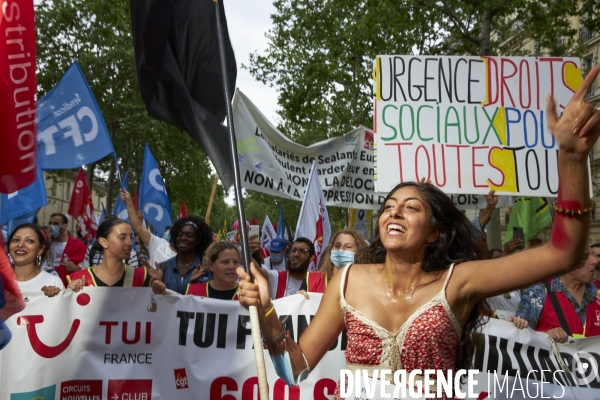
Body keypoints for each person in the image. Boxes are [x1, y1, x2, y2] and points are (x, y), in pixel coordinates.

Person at [237, 67, 600, 397]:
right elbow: (294, 369)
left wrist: (570, 159)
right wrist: (267, 310)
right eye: (389, 206)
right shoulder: (348, 281)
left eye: (411, 207)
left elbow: (563, 253)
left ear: (432, 232)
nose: (394, 211)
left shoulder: (457, 282)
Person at [511, 244, 600, 341]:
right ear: (566, 263)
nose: (595, 261)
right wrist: (545, 336)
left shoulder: (597, 292)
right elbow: (519, 336)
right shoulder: (538, 292)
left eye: (592, 255)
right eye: (585, 257)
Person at [66, 218, 151, 289]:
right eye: (122, 237)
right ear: (103, 242)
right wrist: (69, 295)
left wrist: (160, 292)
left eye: (130, 237)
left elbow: (151, 305)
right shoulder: (80, 278)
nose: (129, 243)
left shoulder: (141, 276)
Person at [156, 216, 213, 294]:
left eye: (189, 235)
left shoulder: (207, 268)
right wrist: (153, 283)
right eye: (180, 235)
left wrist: (194, 285)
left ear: (198, 241)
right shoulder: (163, 267)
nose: (183, 238)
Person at [120, 188, 176, 267]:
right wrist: (129, 202)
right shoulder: (158, 244)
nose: (183, 238)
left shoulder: (189, 258)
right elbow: (138, 227)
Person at [9, 223, 64, 293]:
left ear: (40, 250)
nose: (20, 245)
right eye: (16, 240)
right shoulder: (2, 280)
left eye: (30, 241)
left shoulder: (53, 282)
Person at [49, 213, 87, 286]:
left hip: (68, 287)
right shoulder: (46, 244)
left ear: (65, 226)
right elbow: (37, 262)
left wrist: (76, 268)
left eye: (55, 223)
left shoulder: (78, 245)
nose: (51, 226)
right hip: (48, 286)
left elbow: (87, 269)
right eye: (50, 223)